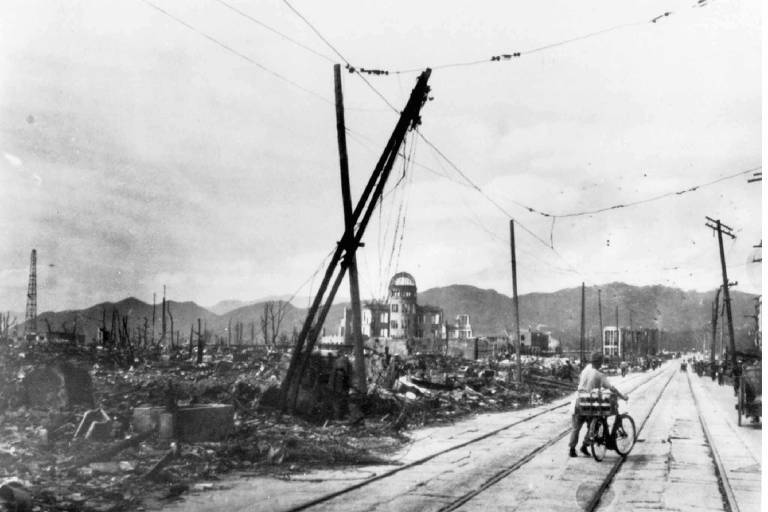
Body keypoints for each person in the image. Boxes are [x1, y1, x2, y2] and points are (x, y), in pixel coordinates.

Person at [569, 352, 629, 457]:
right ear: (600, 363)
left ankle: (572, 449)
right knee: (594, 426)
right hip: (589, 404)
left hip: (578, 401)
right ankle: (584, 446)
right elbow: (611, 388)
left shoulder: (585, 370)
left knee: (576, 427)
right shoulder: (599, 375)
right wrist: (623, 397)